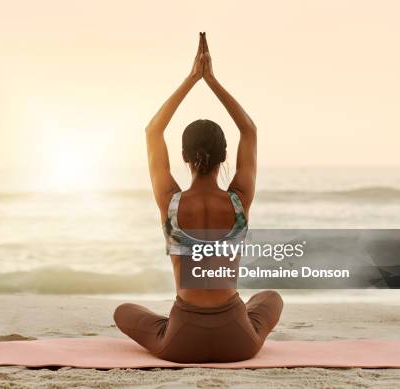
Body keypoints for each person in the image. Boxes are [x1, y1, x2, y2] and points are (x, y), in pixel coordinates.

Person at [113, 33, 283, 363]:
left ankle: (168, 326)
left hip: (180, 343)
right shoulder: (239, 200)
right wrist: (212, 81)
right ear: (223, 156)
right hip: (239, 342)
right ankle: (233, 321)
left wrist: (192, 78)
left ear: (184, 156)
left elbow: (152, 132)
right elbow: (249, 130)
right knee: (270, 298)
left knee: (124, 311)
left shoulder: (170, 202)